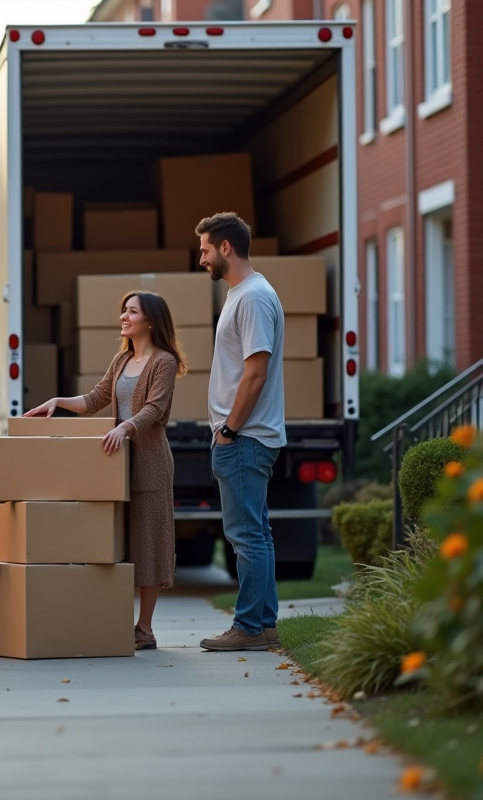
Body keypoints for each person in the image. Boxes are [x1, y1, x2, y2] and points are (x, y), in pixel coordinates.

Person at [24, 291, 185, 650]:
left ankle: (144, 629)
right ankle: (112, 618)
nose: (123, 318)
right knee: (113, 542)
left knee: (147, 543)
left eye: (131, 312)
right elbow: (96, 399)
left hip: (150, 464)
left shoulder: (164, 362)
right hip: (114, 462)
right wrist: (57, 402)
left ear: (151, 321)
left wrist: (125, 427)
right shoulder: (122, 358)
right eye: (123, 311)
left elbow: (155, 409)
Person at [194, 212, 287, 653]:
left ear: (226, 248)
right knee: (258, 533)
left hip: (245, 439)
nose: (202, 259)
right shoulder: (245, 294)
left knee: (246, 536)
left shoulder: (251, 298)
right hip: (249, 437)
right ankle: (265, 625)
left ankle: (248, 626)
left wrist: (229, 429)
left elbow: (255, 372)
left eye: (206, 250)